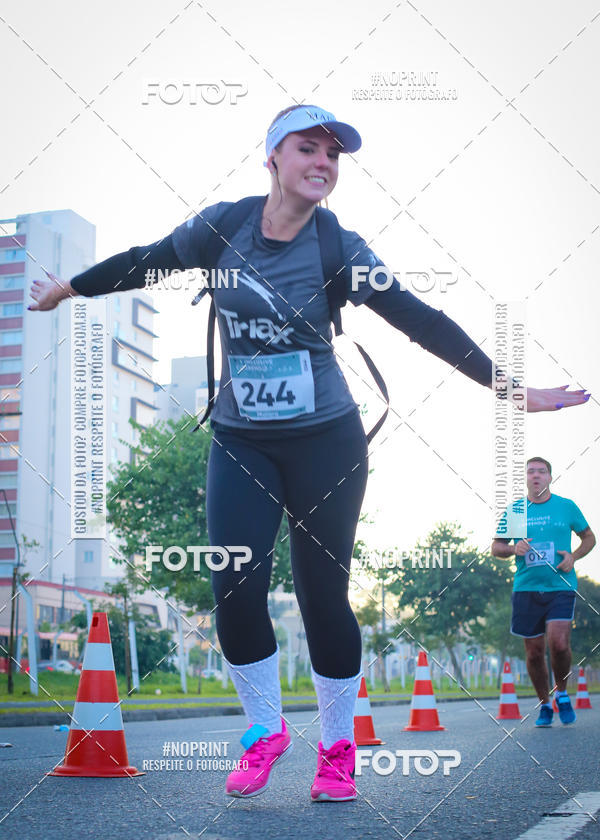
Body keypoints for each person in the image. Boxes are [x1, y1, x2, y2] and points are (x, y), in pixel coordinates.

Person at [30, 105, 590, 801]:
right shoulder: (221, 229)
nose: (323, 162)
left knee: (322, 594)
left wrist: (511, 389)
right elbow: (147, 262)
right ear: (272, 157)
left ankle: (336, 749)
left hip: (327, 441)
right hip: (241, 440)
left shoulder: (339, 248)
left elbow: (420, 318)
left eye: (333, 154)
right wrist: (70, 289)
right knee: (234, 586)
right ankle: (266, 730)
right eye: (308, 148)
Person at [492, 456, 595, 726]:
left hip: (561, 585)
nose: (536, 475)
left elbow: (589, 537)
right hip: (526, 588)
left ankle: (562, 693)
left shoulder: (566, 507)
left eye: (541, 471)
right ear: (526, 478)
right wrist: (513, 548)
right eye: (531, 472)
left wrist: (573, 556)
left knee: (559, 644)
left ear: (550, 477)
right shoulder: (516, 511)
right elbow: (496, 547)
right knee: (534, 652)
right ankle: (545, 704)